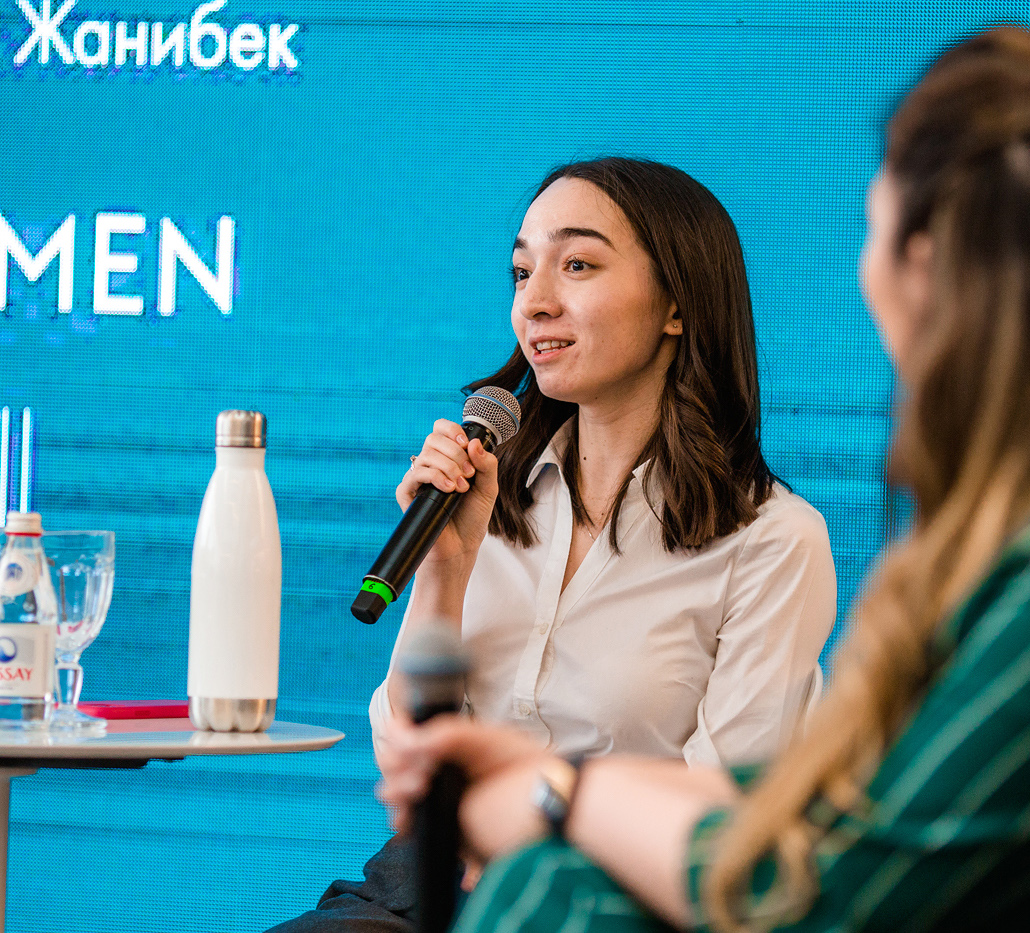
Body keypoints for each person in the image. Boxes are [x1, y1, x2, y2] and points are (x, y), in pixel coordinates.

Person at [375, 27, 1030, 933]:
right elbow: (829, 817)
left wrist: (561, 798)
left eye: (871, 229)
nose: (536, 302)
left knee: (556, 898)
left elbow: (827, 892)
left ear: (933, 264)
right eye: (522, 271)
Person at [270, 158, 837, 932]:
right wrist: (447, 564)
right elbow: (407, 752)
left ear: (677, 302)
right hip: (425, 882)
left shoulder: (774, 541)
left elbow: (725, 820)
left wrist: (529, 826)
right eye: (521, 270)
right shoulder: (483, 493)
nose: (535, 303)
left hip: (612, 901)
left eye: (577, 265)